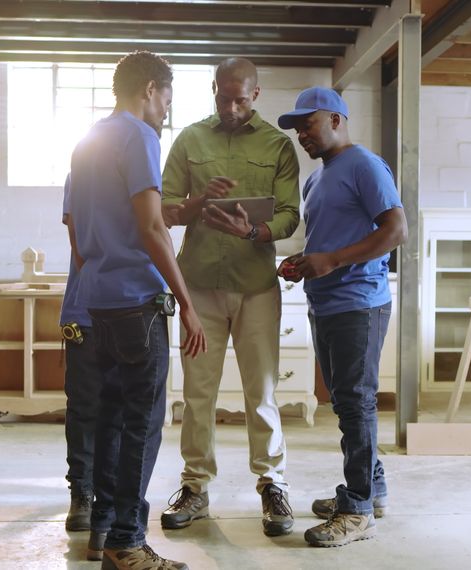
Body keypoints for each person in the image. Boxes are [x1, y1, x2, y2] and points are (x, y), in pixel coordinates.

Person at [68, 50, 207, 570]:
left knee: (107, 420)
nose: (166, 111)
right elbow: (152, 228)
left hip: (97, 301)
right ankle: (128, 542)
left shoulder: (88, 143)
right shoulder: (139, 137)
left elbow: (79, 237)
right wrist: (188, 305)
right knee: (142, 424)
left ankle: (102, 533)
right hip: (137, 306)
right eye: (167, 99)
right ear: (150, 88)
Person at [159, 57, 301, 537]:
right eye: (224, 97)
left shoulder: (278, 146)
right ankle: (195, 486)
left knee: (261, 393)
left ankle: (272, 484)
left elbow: (289, 214)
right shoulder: (189, 140)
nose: (233, 107)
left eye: (242, 99)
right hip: (198, 285)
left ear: (256, 95)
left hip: (256, 286)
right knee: (198, 393)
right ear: (213, 90)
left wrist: (255, 230)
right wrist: (196, 204)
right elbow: (163, 211)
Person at [276, 86, 407, 548]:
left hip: (359, 302)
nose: (301, 136)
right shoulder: (319, 178)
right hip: (326, 302)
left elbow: (396, 230)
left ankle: (357, 509)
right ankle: (373, 492)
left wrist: (331, 261)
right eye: (296, 130)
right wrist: (304, 262)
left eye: (306, 125)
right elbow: (329, 243)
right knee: (347, 404)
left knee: (356, 404)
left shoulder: (365, 165)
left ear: (334, 119)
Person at [59, 172, 100, 547]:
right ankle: (82, 494)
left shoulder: (150, 171)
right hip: (87, 311)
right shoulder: (82, 174)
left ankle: (112, 497)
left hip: (134, 311)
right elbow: (81, 250)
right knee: (84, 408)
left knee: (124, 413)